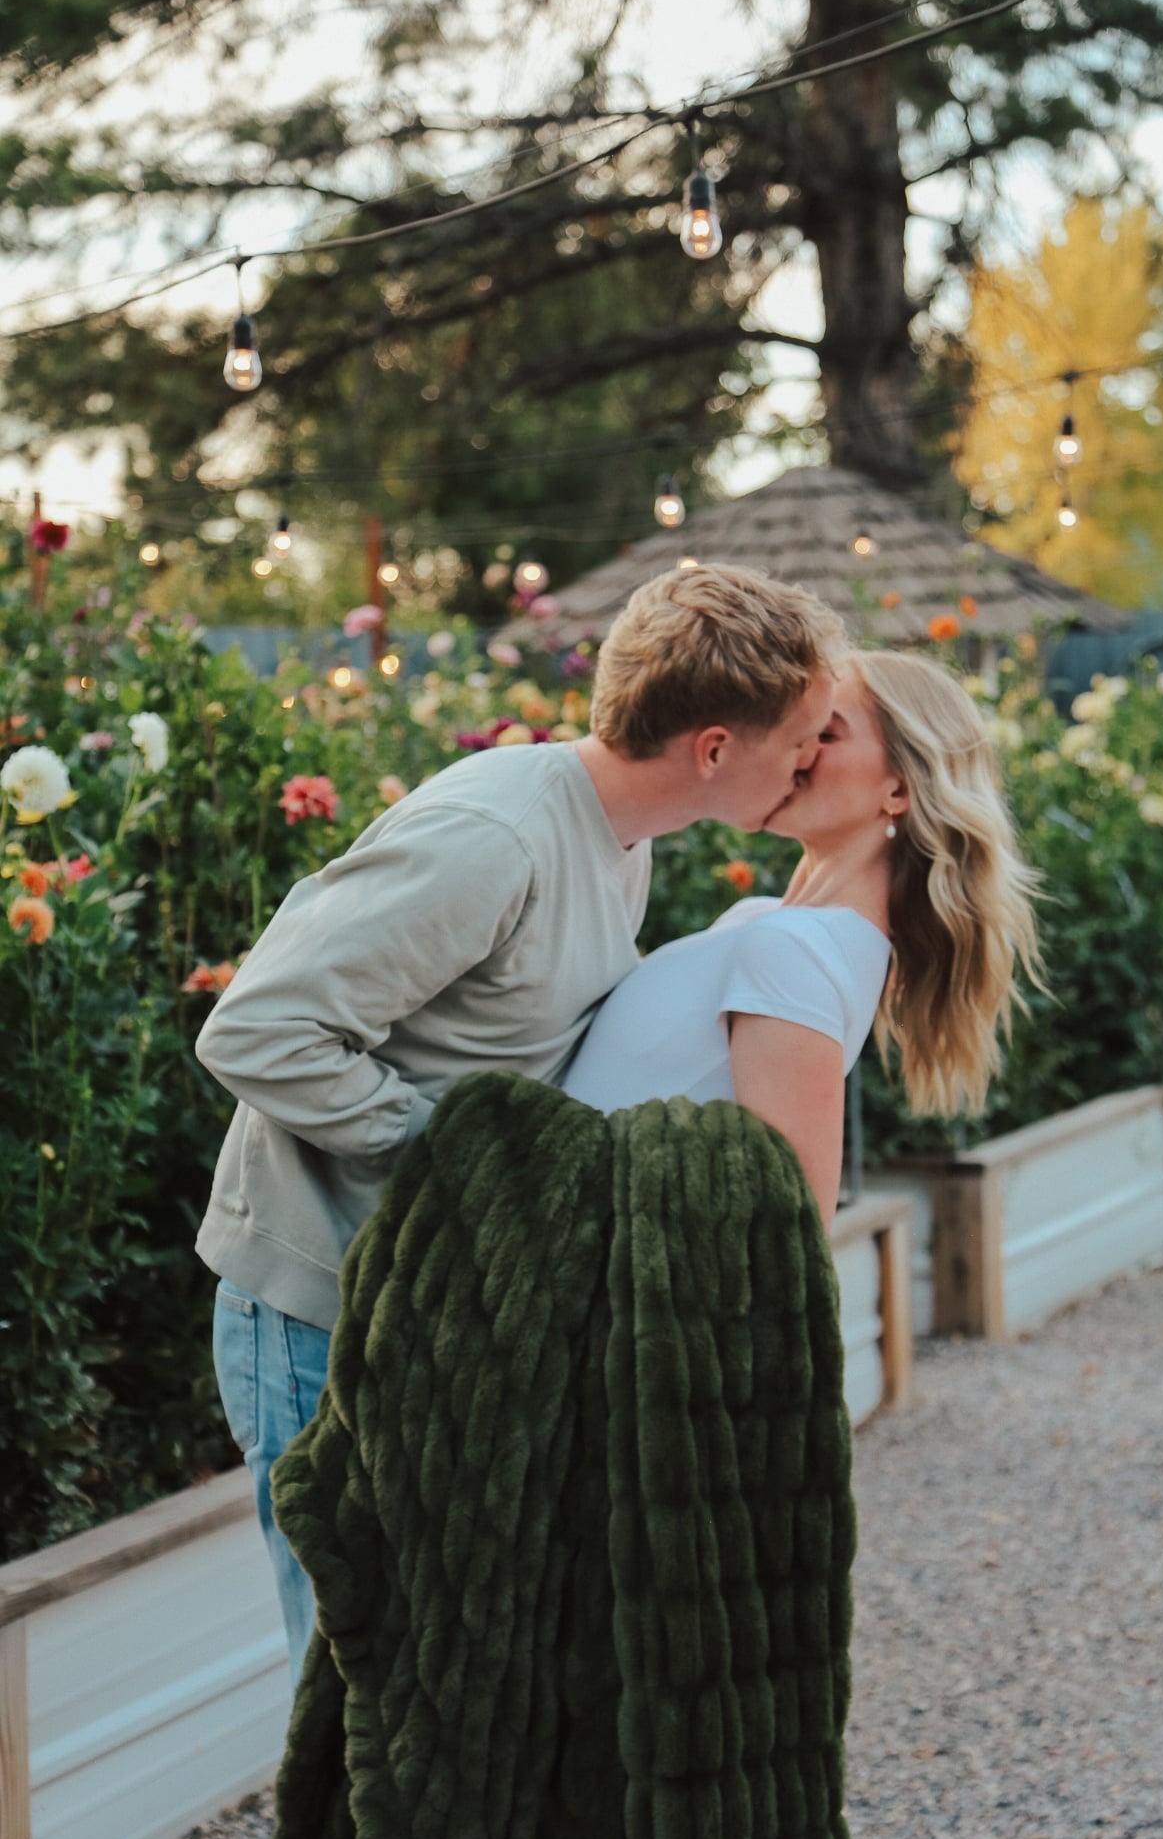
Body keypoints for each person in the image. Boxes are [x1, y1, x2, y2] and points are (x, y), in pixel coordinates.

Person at [194, 562, 846, 1687]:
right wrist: (465, 1156)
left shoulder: (625, 840)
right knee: (352, 1704)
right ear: (711, 747)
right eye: (800, 734)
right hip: (317, 1313)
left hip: (419, 1299)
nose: (811, 756)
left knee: (430, 1707)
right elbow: (256, 1030)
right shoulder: (494, 836)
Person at [560, 649, 1045, 1221]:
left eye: (827, 733)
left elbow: (789, 1237)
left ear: (898, 790)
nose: (797, 747)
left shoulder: (796, 955)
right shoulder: (767, 922)